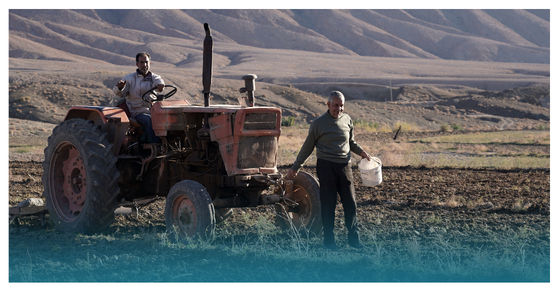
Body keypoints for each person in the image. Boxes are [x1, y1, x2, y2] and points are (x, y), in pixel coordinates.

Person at [287, 90, 372, 250]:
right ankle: (329, 241)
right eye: (335, 105)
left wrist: (361, 152)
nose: (338, 109)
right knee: (328, 205)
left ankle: (354, 240)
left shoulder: (347, 120)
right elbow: (307, 147)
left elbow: (351, 142)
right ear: (328, 105)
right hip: (326, 166)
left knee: (350, 204)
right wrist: (296, 167)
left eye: (341, 106)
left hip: (345, 167)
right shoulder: (318, 124)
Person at [113, 52, 164, 143]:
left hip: (153, 110)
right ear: (137, 64)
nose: (144, 65)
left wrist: (160, 85)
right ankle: (156, 145)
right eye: (141, 62)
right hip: (137, 111)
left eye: (146, 62)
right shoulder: (129, 79)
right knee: (148, 120)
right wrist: (120, 88)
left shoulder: (154, 77)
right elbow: (120, 93)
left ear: (150, 63)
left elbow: (159, 81)